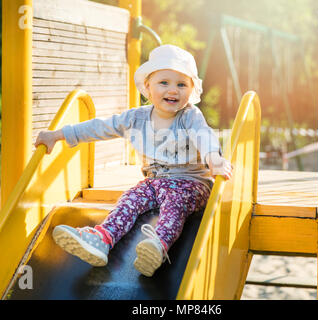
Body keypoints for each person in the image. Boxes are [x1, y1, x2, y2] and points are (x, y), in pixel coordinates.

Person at [34, 44, 233, 277]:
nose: (173, 90)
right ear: (148, 87)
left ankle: (158, 246)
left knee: (175, 205)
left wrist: (214, 159)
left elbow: (204, 136)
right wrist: (58, 135)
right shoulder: (136, 117)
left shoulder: (189, 115)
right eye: (164, 83)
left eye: (182, 84)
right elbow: (100, 127)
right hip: (154, 182)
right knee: (130, 199)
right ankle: (102, 239)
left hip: (191, 183)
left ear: (191, 90)